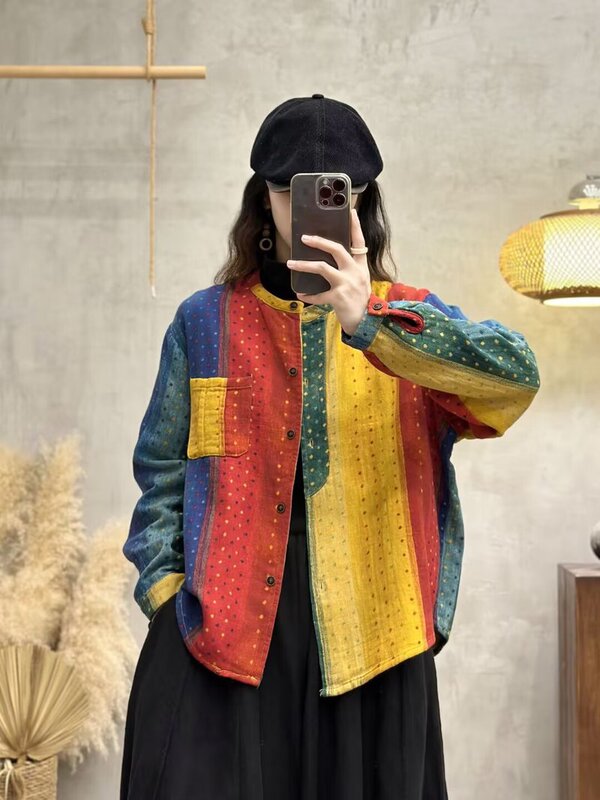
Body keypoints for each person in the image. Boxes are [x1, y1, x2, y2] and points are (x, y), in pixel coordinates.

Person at [119, 94, 541, 800]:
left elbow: (514, 382)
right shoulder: (204, 321)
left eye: (333, 192)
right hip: (219, 638)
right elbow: (162, 466)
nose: (306, 209)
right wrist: (166, 594)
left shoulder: (407, 318)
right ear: (264, 199)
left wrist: (369, 319)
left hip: (376, 641)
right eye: (290, 191)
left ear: (362, 200)